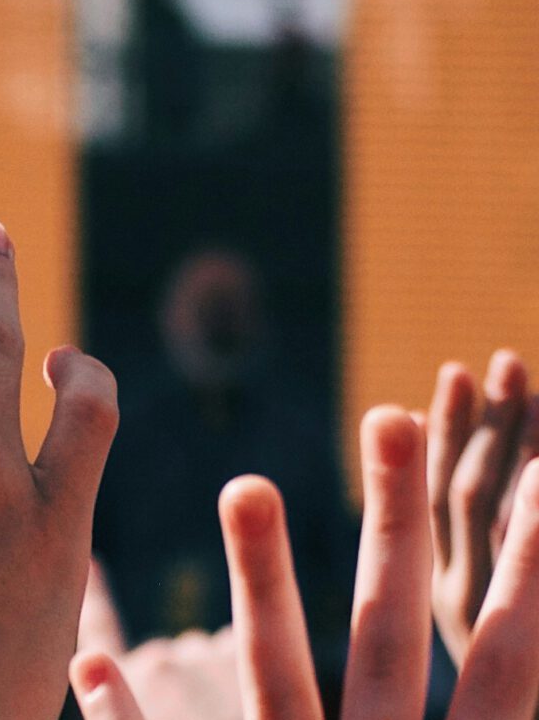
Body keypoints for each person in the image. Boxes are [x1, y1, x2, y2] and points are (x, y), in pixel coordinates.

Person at [90, 250, 350, 642]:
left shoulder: (298, 438)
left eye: (228, 312)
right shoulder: (122, 436)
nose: (217, 327)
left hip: (272, 658)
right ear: (170, 316)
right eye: (205, 310)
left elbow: (335, 566)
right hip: (141, 659)